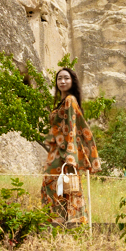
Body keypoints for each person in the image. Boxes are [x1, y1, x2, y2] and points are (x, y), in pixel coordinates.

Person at [40, 67, 100, 226]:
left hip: (63, 156)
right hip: (55, 153)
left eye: (66, 78)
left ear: (72, 81)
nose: (62, 81)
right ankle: (58, 227)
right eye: (59, 79)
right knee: (57, 189)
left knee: (65, 190)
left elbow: (71, 129)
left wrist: (71, 158)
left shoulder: (70, 100)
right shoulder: (62, 102)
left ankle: (67, 226)